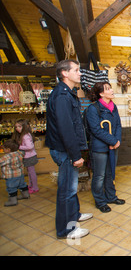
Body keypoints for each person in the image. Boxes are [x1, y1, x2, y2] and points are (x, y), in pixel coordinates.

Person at [45, 59, 92, 240]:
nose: (80, 73)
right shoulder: (62, 96)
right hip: (65, 151)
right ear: (65, 73)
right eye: (77, 70)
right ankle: (67, 230)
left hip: (67, 150)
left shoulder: (66, 93)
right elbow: (66, 129)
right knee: (67, 191)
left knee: (70, 188)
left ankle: (75, 216)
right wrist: (75, 155)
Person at [85, 81, 124, 213]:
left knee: (110, 173)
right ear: (101, 93)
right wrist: (113, 141)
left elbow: (118, 125)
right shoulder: (93, 109)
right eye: (108, 89)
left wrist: (117, 141)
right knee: (99, 175)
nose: (112, 90)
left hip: (113, 146)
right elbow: (96, 130)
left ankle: (111, 197)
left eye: (110, 88)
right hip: (99, 148)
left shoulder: (114, 107)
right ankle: (100, 201)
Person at [12, 119, 39, 193]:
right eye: (16, 127)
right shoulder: (26, 135)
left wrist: (19, 147)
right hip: (28, 156)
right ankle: (31, 185)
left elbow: (30, 146)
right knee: (30, 172)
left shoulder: (25, 136)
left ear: (24, 127)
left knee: (31, 172)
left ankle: (35, 187)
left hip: (29, 156)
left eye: (19, 126)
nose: (17, 128)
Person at [0, 140, 29, 206]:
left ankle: (13, 201)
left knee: (11, 187)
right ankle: (25, 195)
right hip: (20, 174)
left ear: (8, 149)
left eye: (3, 148)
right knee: (22, 184)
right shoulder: (20, 153)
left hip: (11, 176)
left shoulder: (6, 157)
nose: (3, 150)